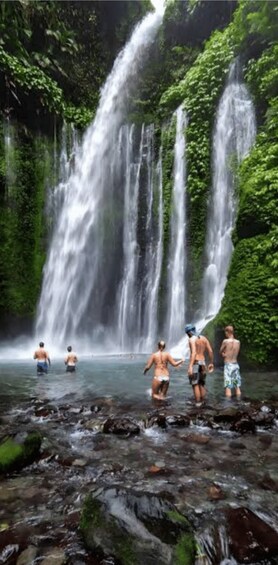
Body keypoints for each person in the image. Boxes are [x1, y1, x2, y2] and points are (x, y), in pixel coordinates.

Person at [185, 324, 214, 406]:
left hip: (196, 363)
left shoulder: (191, 339)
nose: (187, 335)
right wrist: (211, 362)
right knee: (201, 383)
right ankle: (204, 402)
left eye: (187, 334)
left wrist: (190, 366)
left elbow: (194, 352)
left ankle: (198, 403)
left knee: (195, 384)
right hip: (203, 363)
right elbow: (210, 351)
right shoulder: (204, 338)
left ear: (189, 332)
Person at [219, 325, 241, 398]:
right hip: (235, 365)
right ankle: (238, 400)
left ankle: (228, 404)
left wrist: (223, 353)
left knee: (228, 386)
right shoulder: (238, 342)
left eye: (225, 332)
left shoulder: (225, 341)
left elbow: (220, 351)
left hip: (228, 366)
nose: (225, 334)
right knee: (236, 385)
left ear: (227, 332)